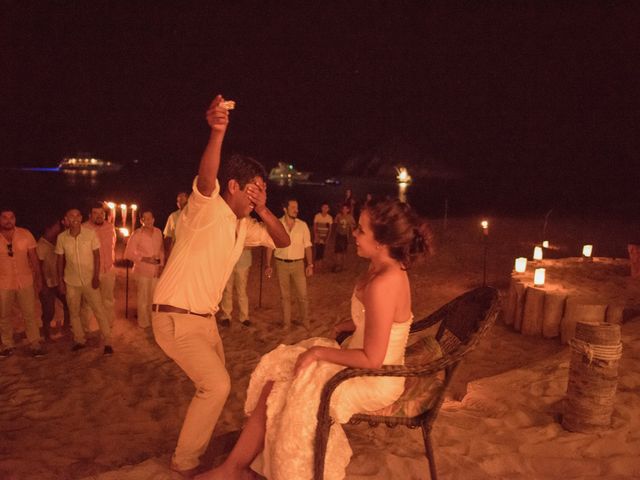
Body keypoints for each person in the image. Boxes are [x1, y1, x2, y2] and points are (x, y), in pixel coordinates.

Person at [196, 197, 432, 480]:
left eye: (361, 230)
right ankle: (235, 467)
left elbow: (373, 359)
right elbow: (385, 322)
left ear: (382, 241)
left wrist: (319, 353)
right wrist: (353, 324)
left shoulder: (384, 282)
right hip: (358, 357)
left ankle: (289, 472)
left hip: (375, 377)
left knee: (297, 388)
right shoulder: (380, 266)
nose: (354, 234)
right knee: (278, 374)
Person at [151, 95, 290, 476]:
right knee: (216, 386)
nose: (259, 196)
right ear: (233, 185)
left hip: (205, 321)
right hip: (176, 317)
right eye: (254, 190)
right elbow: (206, 176)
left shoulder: (242, 226)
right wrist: (217, 132)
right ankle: (184, 462)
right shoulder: (206, 209)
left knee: (214, 388)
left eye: (263, 191)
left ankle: (196, 450)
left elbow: (283, 241)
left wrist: (262, 209)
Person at [55, 208, 113, 355]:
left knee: (98, 310)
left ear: (81, 218)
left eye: (77, 215)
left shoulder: (90, 234)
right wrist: (61, 281)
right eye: (71, 215)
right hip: (71, 281)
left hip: (89, 279)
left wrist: (95, 277)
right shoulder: (62, 238)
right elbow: (60, 260)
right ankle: (79, 339)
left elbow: (97, 256)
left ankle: (107, 341)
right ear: (66, 219)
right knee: (74, 312)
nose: (74, 218)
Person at [0, 209, 44, 357]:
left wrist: (39, 279)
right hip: (3, 283)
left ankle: (35, 344)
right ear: (0, 220)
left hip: (25, 281)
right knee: (4, 315)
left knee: (29, 314)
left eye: (11, 217)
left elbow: (34, 259)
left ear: (15, 219)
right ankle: (7, 345)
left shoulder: (26, 234)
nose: (8, 220)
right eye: (4, 217)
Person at [265, 199, 314, 329]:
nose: (296, 210)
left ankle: (305, 321)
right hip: (281, 264)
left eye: (297, 207)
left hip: (298, 264)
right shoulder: (277, 224)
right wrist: (268, 265)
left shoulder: (302, 225)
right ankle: (286, 323)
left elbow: (307, 246)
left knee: (302, 295)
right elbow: (270, 245)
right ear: (285, 209)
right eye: (293, 207)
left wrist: (310, 264)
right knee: (284, 296)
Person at [124, 210, 164, 329]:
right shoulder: (137, 234)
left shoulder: (158, 232)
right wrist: (145, 259)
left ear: (153, 219)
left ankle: (153, 321)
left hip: (156, 271)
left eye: (150, 218)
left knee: (154, 298)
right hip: (142, 271)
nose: (148, 221)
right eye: (145, 219)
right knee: (143, 298)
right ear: (141, 221)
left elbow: (161, 250)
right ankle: (143, 323)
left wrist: (161, 265)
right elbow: (128, 253)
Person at [81, 203, 117, 328]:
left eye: (102, 213)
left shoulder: (110, 227)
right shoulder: (83, 229)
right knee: (89, 302)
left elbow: (113, 246)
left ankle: (108, 325)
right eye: (95, 213)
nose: (99, 216)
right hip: (90, 271)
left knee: (108, 300)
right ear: (90, 215)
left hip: (108, 270)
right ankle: (90, 328)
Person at [36, 219, 70, 340]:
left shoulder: (55, 242)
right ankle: (47, 333)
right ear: (47, 229)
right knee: (49, 310)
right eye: (55, 227)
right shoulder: (41, 245)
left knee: (69, 303)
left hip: (57, 281)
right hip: (47, 283)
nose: (58, 229)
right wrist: (43, 283)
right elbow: (38, 266)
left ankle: (67, 328)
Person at [218, 247, 253, 328]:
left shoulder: (246, 233)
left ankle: (244, 317)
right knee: (227, 290)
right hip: (227, 261)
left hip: (243, 262)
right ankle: (226, 316)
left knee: (242, 291)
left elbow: (253, 244)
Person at [163, 191, 189, 258]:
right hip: (177, 252)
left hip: (192, 250)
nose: (181, 203)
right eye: (178, 201)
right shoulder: (173, 216)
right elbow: (168, 237)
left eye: (182, 200)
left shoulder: (195, 215)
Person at [332, 203, 356, 272]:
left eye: (346, 209)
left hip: (345, 235)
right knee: (337, 251)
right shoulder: (338, 216)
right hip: (339, 235)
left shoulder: (350, 217)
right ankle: (337, 265)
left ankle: (343, 265)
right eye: (343, 209)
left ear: (348, 210)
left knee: (344, 251)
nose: (344, 210)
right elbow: (335, 224)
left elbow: (353, 225)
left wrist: (352, 234)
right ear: (341, 209)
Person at [312, 202, 332, 272]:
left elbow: (330, 230)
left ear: (328, 209)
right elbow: (315, 227)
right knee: (317, 251)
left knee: (322, 251)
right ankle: (316, 266)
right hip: (318, 237)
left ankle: (320, 266)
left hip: (324, 237)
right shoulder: (317, 216)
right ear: (321, 208)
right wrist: (316, 237)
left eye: (326, 208)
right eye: (324, 207)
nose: (325, 209)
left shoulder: (329, 218)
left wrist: (327, 239)